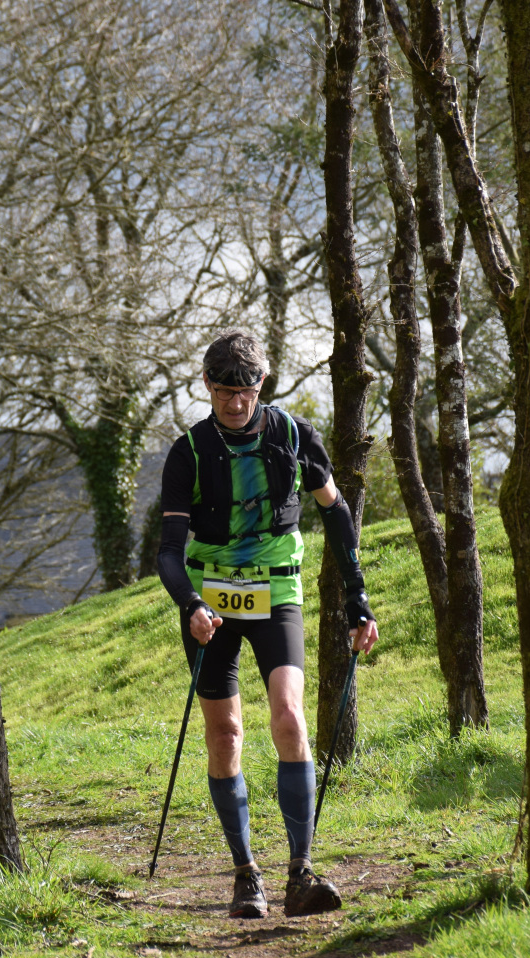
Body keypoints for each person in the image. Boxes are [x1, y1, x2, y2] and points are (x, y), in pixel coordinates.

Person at [155, 329, 378, 919]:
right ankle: (245, 874)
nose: (236, 403)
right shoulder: (189, 452)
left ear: (262, 384)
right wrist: (190, 604)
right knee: (225, 734)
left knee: (289, 716)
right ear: (207, 386)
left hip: (277, 589)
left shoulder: (294, 435)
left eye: (246, 392)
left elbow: (336, 511)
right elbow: (168, 552)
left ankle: (301, 873)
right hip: (210, 600)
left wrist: (357, 598)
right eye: (224, 392)